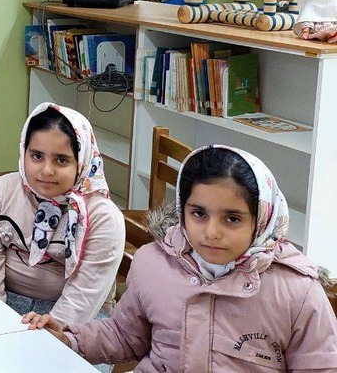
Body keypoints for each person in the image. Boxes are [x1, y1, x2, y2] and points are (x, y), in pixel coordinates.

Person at [25, 145, 337, 372]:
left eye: (232, 219)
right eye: (199, 213)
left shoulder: (297, 292)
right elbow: (125, 335)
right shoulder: (154, 263)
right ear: (182, 209)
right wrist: (69, 339)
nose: (211, 232)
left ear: (262, 219)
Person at [0, 104, 125, 327]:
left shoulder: (103, 217)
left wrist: (55, 325)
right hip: (5, 301)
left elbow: (83, 298)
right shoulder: (1, 192)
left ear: (81, 162)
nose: (47, 170)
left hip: (78, 318)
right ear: (24, 152)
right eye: (37, 156)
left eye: (61, 160)